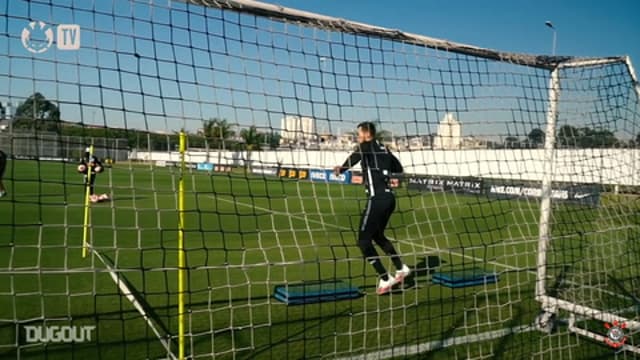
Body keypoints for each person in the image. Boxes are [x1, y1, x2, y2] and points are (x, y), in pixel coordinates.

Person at [334, 122, 410, 295]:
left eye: (359, 134)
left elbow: (355, 156)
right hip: (389, 198)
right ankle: (401, 267)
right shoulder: (384, 149)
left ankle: (385, 278)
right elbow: (398, 168)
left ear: (367, 134)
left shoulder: (366, 146)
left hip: (377, 199)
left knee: (363, 241)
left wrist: (342, 168)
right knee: (377, 235)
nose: (358, 137)